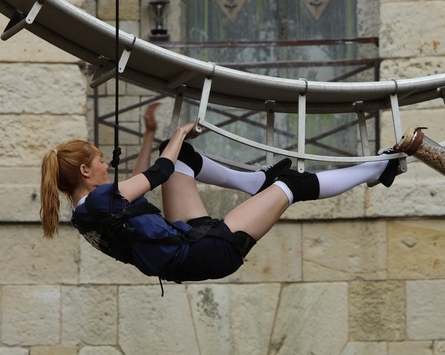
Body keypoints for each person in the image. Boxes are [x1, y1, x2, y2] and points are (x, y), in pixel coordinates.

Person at [40, 104, 401, 285]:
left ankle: (253, 182)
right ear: (85, 171)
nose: (106, 166)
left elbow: (140, 181)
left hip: (186, 242)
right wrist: (182, 130)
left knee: (177, 154)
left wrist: (152, 135)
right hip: (205, 252)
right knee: (292, 184)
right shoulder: (101, 201)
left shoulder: (85, 212)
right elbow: (158, 173)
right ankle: (379, 168)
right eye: (101, 161)